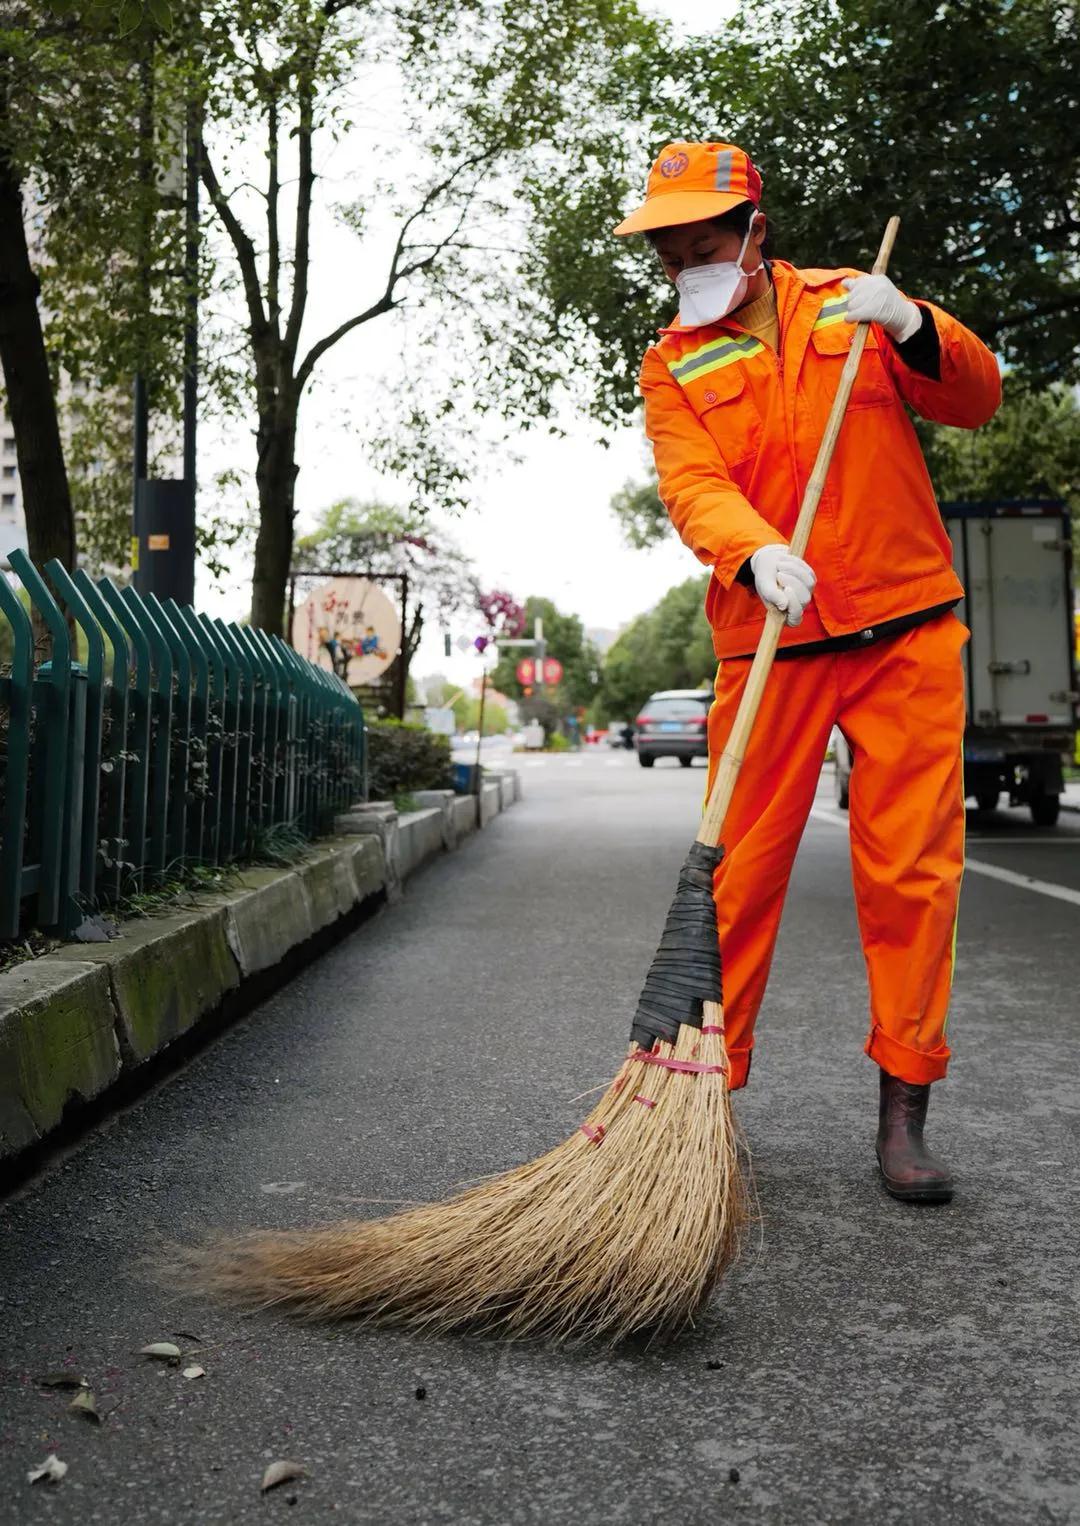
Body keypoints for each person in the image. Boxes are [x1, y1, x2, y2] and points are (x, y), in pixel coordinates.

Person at [614, 141, 1001, 1202]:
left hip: (906, 625)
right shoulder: (670, 362)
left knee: (913, 874)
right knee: (734, 880)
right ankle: (700, 1109)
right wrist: (752, 549)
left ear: (754, 229)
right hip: (772, 639)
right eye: (669, 244)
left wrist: (919, 325)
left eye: (704, 236)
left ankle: (903, 1112)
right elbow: (691, 483)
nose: (686, 257)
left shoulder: (851, 304)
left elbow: (976, 400)